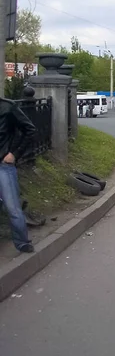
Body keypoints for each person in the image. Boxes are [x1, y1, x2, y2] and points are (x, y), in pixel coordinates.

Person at [0, 97, 37, 253]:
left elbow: (30, 130)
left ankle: (22, 242)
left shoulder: (8, 107)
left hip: (3, 165)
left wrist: (14, 154)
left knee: (12, 206)